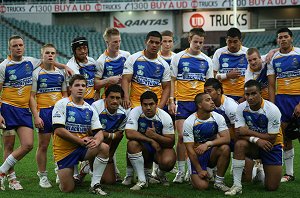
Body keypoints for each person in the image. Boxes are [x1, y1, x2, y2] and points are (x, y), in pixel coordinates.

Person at [169, 28, 214, 183]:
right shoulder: (178, 57)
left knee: (196, 138)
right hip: (182, 102)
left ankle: (191, 169)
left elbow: (209, 85)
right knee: (182, 137)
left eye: (201, 42)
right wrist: (171, 100)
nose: (198, 44)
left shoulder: (207, 60)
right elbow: (173, 80)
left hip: (199, 104)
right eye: (195, 41)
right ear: (189, 40)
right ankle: (181, 172)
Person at [52, 74, 109, 195]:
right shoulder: (62, 104)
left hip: (82, 148)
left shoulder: (90, 109)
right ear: (70, 88)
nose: (80, 88)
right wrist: (79, 141)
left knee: (104, 147)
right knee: (68, 189)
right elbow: (58, 130)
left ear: (86, 89)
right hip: (64, 152)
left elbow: (98, 131)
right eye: (77, 85)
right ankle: (65, 171)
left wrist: (97, 141)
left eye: (83, 85)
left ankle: (95, 184)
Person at [225, 80, 283, 195]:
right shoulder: (241, 107)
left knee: (271, 187)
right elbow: (238, 134)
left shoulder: (272, 109)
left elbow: (271, 138)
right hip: (254, 144)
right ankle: (237, 186)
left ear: (260, 93)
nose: (250, 97)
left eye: (253, 93)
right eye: (247, 94)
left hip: (271, 146)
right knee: (239, 144)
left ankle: (258, 170)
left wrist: (248, 132)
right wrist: (256, 140)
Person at [29, 44, 68, 188]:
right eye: (47, 53)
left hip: (58, 113)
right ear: (42, 55)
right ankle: (43, 176)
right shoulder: (37, 73)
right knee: (43, 145)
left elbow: (65, 94)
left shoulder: (60, 73)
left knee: (60, 144)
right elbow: (32, 96)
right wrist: (36, 116)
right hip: (44, 112)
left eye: (52, 53)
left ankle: (59, 171)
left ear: (55, 55)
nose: (50, 55)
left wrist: (64, 111)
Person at [267, 27, 300, 183]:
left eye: (286, 37)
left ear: (291, 38)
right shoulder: (274, 58)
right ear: (277, 40)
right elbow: (271, 85)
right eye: (280, 37)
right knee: (286, 136)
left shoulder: (299, 54)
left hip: (298, 99)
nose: (283, 39)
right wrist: (273, 106)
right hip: (282, 101)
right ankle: (290, 173)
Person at [124, 91, 176, 190]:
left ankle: (160, 174)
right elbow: (129, 133)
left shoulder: (165, 116)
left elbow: (171, 142)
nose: (148, 107)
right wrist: (150, 140)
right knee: (132, 144)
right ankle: (141, 180)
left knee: (168, 161)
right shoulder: (135, 111)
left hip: (159, 148)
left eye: (151, 104)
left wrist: (155, 136)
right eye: (145, 104)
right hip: (143, 147)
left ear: (156, 104)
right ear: (141, 105)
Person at [183, 92, 231, 192]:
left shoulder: (218, 117)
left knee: (225, 148)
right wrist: (199, 170)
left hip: (210, 152)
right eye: (208, 100)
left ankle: (219, 182)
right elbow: (189, 150)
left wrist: (208, 144)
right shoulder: (189, 121)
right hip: (196, 155)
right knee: (202, 187)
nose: (212, 102)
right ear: (199, 105)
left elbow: (227, 138)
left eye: (211, 100)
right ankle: (195, 173)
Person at [121, 31, 171, 109]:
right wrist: (126, 98)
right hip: (135, 104)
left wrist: (160, 106)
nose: (154, 45)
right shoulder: (133, 58)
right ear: (146, 42)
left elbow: (167, 87)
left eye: (157, 43)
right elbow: (125, 79)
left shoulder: (164, 65)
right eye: (151, 42)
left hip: (154, 105)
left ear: (160, 44)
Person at [91, 84, 130, 184]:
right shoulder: (96, 106)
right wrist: (111, 135)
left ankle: (95, 165)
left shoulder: (125, 111)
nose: (115, 101)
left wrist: (111, 154)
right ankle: (86, 166)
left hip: (107, 145)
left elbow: (119, 135)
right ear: (105, 98)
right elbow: (92, 131)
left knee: (110, 181)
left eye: (118, 98)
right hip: (92, 142)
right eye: (112, 97)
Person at [213, 27, 248, 103]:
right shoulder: (219, 53)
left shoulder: (247, 53)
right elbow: (213, 74)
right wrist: (227, 75)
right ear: (226, 40)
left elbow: (254, 76)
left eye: (235, 41)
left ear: (240, 41)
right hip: (224, 96)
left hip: (242, 96)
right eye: (229, 41)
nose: (232, 45)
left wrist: (245, 97)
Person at [67, 36, 101, 105]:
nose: (83, 51)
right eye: (79, 49)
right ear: (74, 51)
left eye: (85, 48)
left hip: (92, 100)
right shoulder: (71, 65)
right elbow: (78, 83)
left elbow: (98, 76)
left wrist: (97, 91)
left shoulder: (92, 61)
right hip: (78, 101)